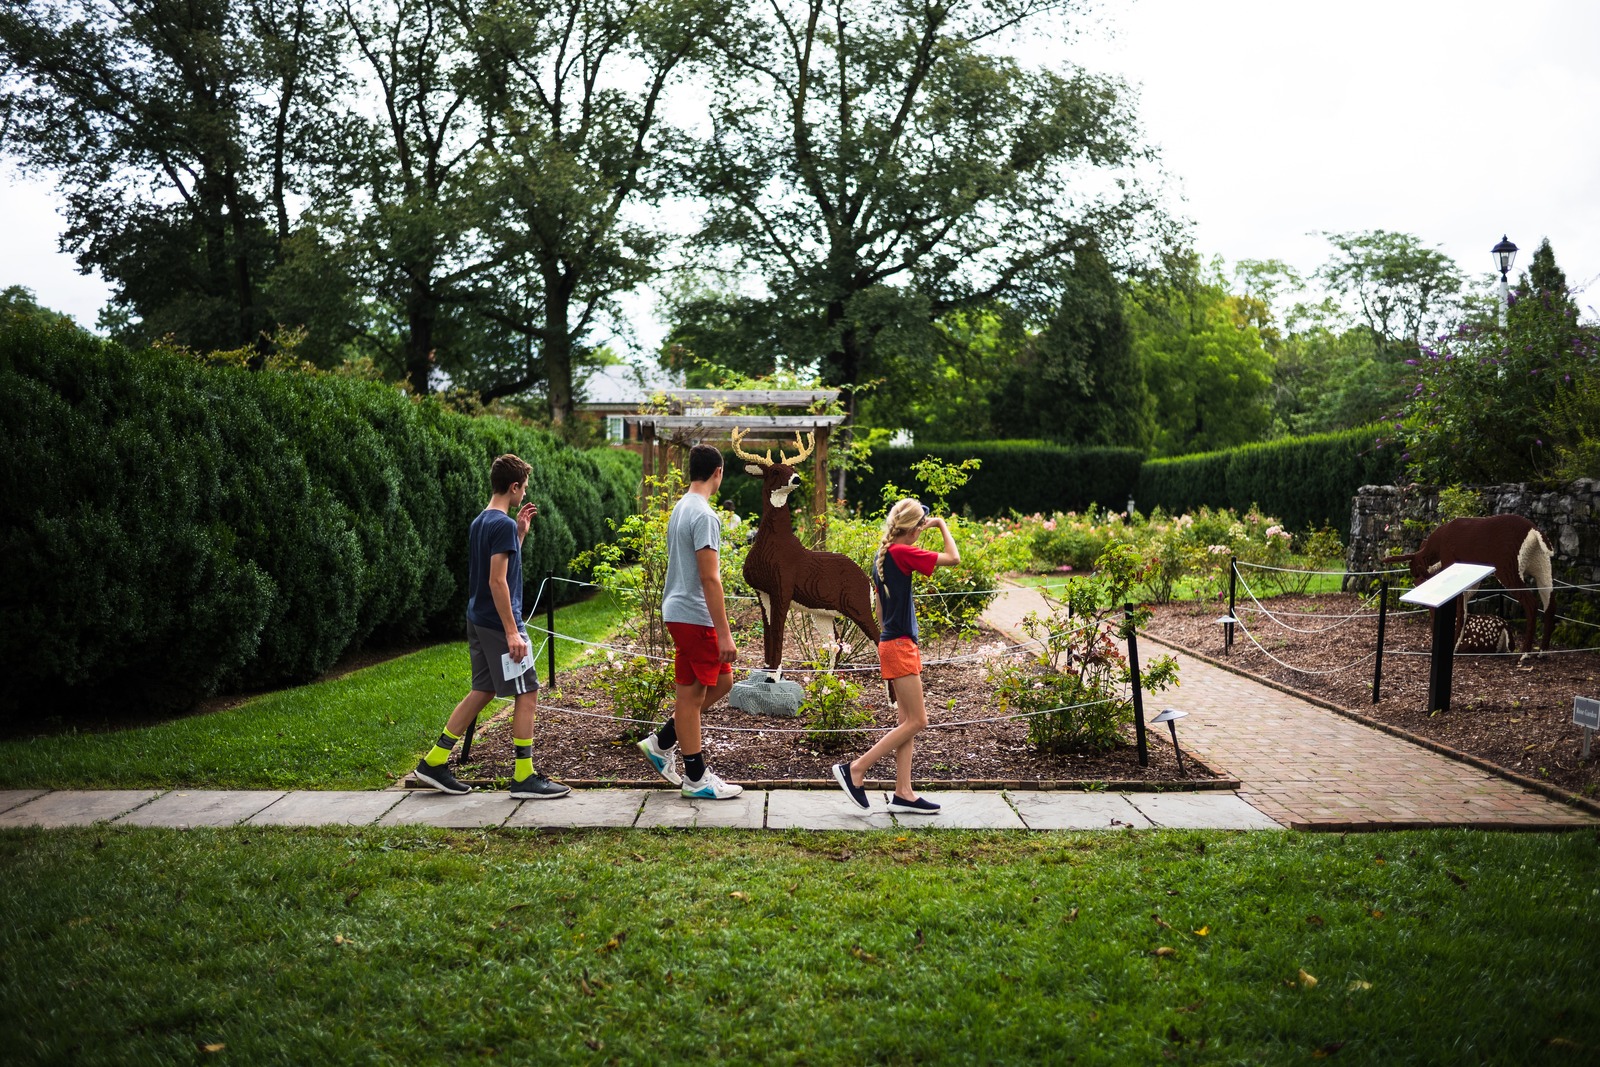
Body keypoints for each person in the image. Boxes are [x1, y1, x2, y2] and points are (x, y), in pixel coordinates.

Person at [414, 453, 570, 800]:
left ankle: (434, 761)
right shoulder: (499, 525)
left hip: (478, 618)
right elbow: (497, 582)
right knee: (528, 692)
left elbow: (499, 570)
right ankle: (524, 776)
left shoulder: (482, 522)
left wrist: (520, 535)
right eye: (523, 488)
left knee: (483, 689)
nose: (523, 494)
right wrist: (513, 631)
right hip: (500, 624)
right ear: (514, 487)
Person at [832, 498, 960, 814]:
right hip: (900, 645)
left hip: (895, 643)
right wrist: (942, 524)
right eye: (922, 525)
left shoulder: (885, 555)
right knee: (918, 720)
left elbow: (879, 609)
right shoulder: (901, 552)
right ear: (915, 528)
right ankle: (856, 770)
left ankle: (904, 792)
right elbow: (954, 558)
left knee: (906, 721)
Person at [635, 443, 744, 800]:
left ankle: (662, 741)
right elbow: (710, 578)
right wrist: (725, 634)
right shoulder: (705, 516)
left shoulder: (682, 507)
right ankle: (696, 778)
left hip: (677, 611)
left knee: (718, 683)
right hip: (694, 615)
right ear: (718, 472)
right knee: (694, 695)